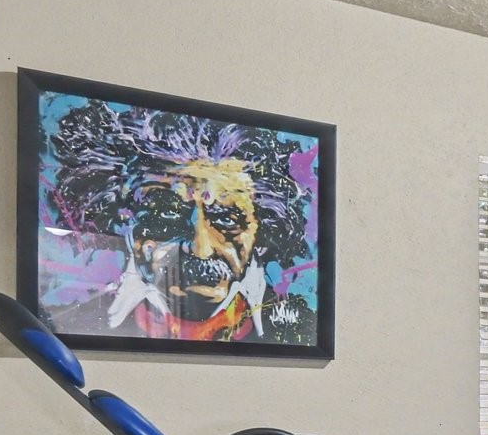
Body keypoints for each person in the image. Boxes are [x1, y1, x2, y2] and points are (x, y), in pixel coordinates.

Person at [39, 99, 319, 345]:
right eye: (167, 215)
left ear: (261, 231)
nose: (201, 249)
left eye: (226, 219)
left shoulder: (297, 329)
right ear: (124, 222)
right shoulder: (68, 321)